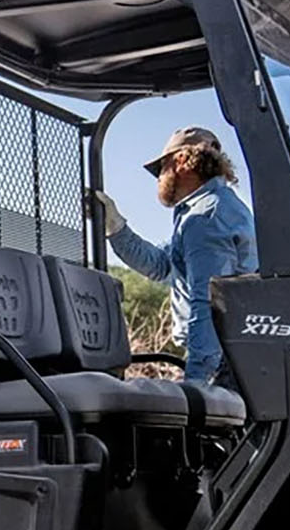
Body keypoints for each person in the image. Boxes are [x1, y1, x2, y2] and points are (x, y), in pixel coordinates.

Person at [93, 126, 257, 385]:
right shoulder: (210, 209)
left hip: (222, 363)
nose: (159, 178)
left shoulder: (205, 217)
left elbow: (210, 301)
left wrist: (198, 381)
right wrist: (115, 227)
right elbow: (162, 266)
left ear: (181, 161)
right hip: (230, 358)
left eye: (161, 169)